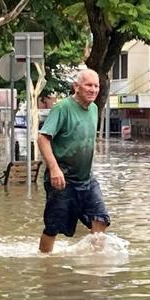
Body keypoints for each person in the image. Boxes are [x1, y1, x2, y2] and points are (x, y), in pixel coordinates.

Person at [37, 69, 110, 254]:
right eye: (88, 85)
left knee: (100, 218)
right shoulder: (62, 108)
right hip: (62, 179)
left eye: (96, 86)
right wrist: (54, 169)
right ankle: (45, 264)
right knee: (53, 227)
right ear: (76, 87)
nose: (93, 89)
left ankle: (96, 264)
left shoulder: (94, 109)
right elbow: (42, 138)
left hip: (86, 179)